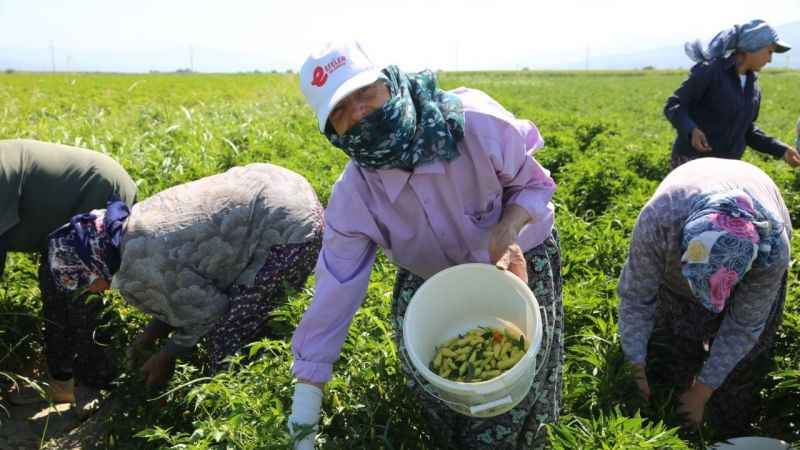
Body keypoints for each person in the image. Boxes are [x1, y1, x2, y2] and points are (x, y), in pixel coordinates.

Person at [288, 42, 562, 450]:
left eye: (365, 94)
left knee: (520, 376)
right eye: (341, 112)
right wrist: (304, 412)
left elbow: (535, 185)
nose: (359, 113)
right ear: (333, 133)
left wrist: (507, 231)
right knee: (436, 382)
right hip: (432, 276)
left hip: (518, 258)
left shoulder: (473, 123)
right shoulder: (355, 197)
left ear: (390, 83)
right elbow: (334, 293)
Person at [47, 163, 323, 388]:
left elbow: (210, 312)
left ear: (95, 264)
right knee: (248, 313)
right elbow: (179, 288)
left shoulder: (134, 271)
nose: (93, 291)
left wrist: (167, 356)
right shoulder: (133, 228)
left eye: (86, 283)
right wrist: (149, 337)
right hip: (284, 186)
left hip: (290, 231)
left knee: (231, 334)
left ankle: (249, 406)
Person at [618, 158, 791, 435]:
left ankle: (725, 426)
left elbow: (744, 326)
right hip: (678, 226)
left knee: (741, 367)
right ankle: (674, 403)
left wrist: (702, 393)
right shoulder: (660, 220)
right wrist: (636, 372)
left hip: (755, 223)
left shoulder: (772, 251)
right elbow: (637, 299)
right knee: (673, 349)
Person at [1, 139, 137, 417]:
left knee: (81, 300)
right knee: (53, 288)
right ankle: (61, 383)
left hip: (97, 194)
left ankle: (95, 388)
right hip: (64, 209)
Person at [664, 19, 800, 170]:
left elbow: (747, 131)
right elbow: (675, 105)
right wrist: (691, 130)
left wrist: (781, 150)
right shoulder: (711, 70)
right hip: (692, 163)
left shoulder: (753, 86)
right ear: (753, 46)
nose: (770, 59)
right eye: (769, 51)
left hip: (727, 169)